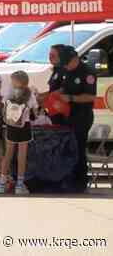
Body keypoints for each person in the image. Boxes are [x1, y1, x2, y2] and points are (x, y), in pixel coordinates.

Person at [58, 47, 96, 192]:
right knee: (68, 147)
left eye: (68, 63)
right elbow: (63, 88)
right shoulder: (67, 71)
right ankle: (68, 178)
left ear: (75, 59)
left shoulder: (88, 72)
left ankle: (81, 182)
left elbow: (91, 96)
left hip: (82, 115)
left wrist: (71, 98)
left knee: (79, 148)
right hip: (68, 114)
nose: (66, 66)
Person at [0, 71, 36, 195]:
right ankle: (19, 185)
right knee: (22, 156)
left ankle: (2, 184)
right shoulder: (30, 94)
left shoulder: (9, 92)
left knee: (8, 154)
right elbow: (34, 109)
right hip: (24, 126)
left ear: (15, 82)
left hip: (11, 126)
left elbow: (3, 105)